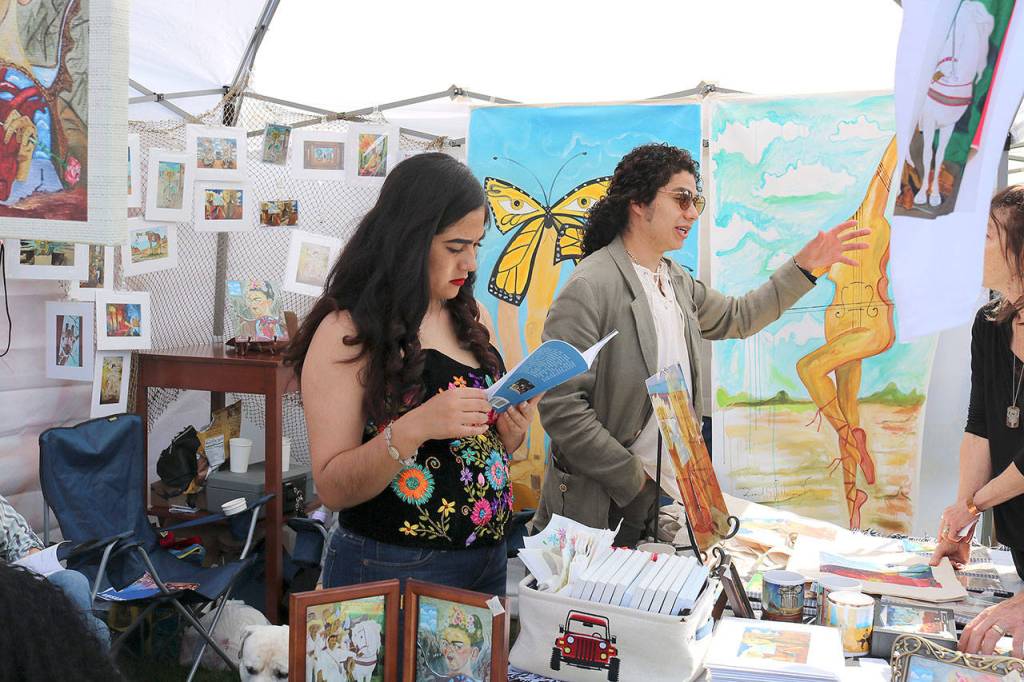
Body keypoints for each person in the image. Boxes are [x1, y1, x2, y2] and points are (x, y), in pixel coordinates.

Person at [534, 143, 870, 545]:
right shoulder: (590, 287)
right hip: (603, 510)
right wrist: (635, 484)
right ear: (639, 203)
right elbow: (561, 408)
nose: (692, 212)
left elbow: (739, 317)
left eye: (697, 201)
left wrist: (804, 267)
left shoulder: (674, 281)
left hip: (666, 501)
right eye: (682, 199)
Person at [285, 152, 537, 596]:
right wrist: (415, 427)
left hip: (487, 560)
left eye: (477, 246)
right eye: (456, 248)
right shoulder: (347, 330)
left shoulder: (471, 315)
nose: (471, 264)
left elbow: (469, 447)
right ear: (409, 239)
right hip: (391, 565)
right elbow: (331, 486)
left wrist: (507, 437)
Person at [929, 185, 1024, 656]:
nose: (972, 246)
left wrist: (972, 506)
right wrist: (963, 516)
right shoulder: (989, 324)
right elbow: (980, 423)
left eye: (987, 235)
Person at [0, 493, 112, 650]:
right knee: (96, 632)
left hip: (15, 582)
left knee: (73, 581)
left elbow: (17, 536)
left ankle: (80, 656)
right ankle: (80, 659)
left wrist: (31, 554)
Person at [0, 563, 123, 681]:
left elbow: (21, 542)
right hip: (9, 585)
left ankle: (83, 661)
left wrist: (32, 549)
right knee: (98, 629)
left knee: (73, 579)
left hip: (23, 574)